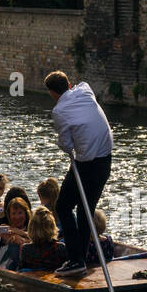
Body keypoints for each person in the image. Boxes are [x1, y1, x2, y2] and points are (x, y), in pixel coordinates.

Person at [45, 70, 114, 277]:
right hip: (106, 159)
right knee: (85, 210)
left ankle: (75, 259)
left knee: (64, 206)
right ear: (69, 84)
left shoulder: (59, 111)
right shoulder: (85, 89)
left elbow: (66, 145)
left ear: (52, 93)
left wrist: (70, 140)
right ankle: (79, 259)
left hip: (87, 164)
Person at [18, 208, 68, 272]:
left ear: (31, 228)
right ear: (52, 227)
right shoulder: (60, 248)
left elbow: (21, 270)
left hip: (31, 280)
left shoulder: (25, 249)